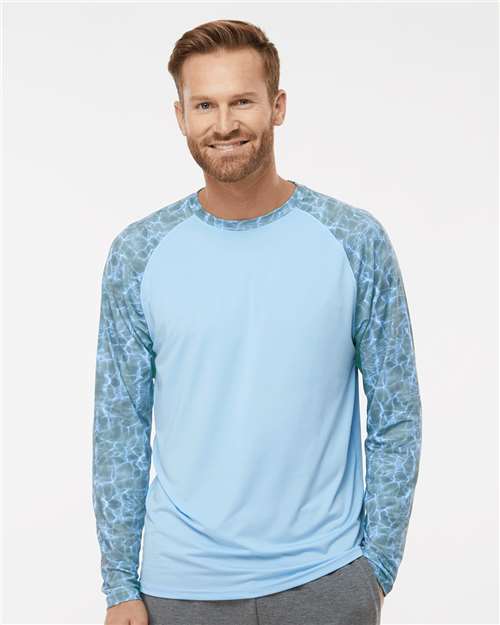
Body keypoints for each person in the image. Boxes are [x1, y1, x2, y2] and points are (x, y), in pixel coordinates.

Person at [92, 18, 422, 625]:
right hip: (179, 588)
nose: (224, 124)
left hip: (326, 580)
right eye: (205, 105)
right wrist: (119, 586)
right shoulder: (138, 253)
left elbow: (396, 411)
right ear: (180, 116)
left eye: (242, 101)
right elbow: (120, 428)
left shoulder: (354, 239)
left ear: (278, 106)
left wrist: (376, 566)